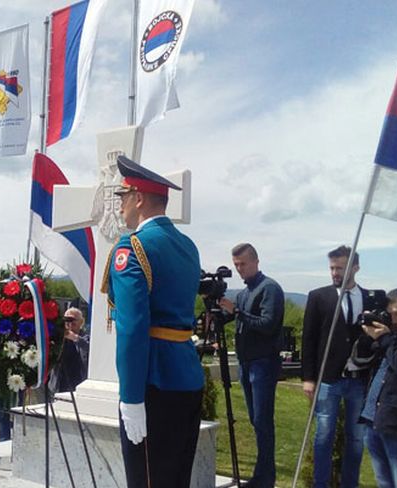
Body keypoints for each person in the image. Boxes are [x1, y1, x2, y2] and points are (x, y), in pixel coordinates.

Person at [103, 156, 204, 488]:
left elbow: (132, 328)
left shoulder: (132, 248)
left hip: (152, 383)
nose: (121, 207)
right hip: (186, 377)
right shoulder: (188, 246)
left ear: (139, 198)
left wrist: (131, 398)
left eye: (123, 198)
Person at [301, 246, 370, 488]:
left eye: (340, 267)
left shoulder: (369, 297)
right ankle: (321, 484)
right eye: (331, 267)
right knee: (323, 437)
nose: (334, 272)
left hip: (359, 380)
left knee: (356, 439)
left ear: (355, 268)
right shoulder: (319, 296)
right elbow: (308, 338)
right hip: (328, 379)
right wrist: (308, 377)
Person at [219, 243, 284, 488]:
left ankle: (265, 479)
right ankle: (262, 475)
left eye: (243, 264)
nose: (239, 269)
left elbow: (267, 324)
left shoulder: (270, 289)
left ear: (256, 261)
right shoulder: (245, 293)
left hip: (263, 363)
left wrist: (236, 311)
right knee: (257, 421)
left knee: (263, 421)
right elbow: (228, 316)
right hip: (247, 363)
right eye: (236, 264)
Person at [351, 288, 397, 488]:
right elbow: (361, 360)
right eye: (391, 314)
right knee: (383, 482)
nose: (395, 320)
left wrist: (386, 340)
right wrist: (369, 337)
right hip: (374, 420)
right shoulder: (392, 338)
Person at [49, 307, 89, 394]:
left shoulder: (86, 336)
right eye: (67, 320)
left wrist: (74, 337)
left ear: (81, 322)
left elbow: (88, 347)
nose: (69, 323)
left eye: (73, 320)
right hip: (58, 383)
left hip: (78, 382)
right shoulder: (58, 336)